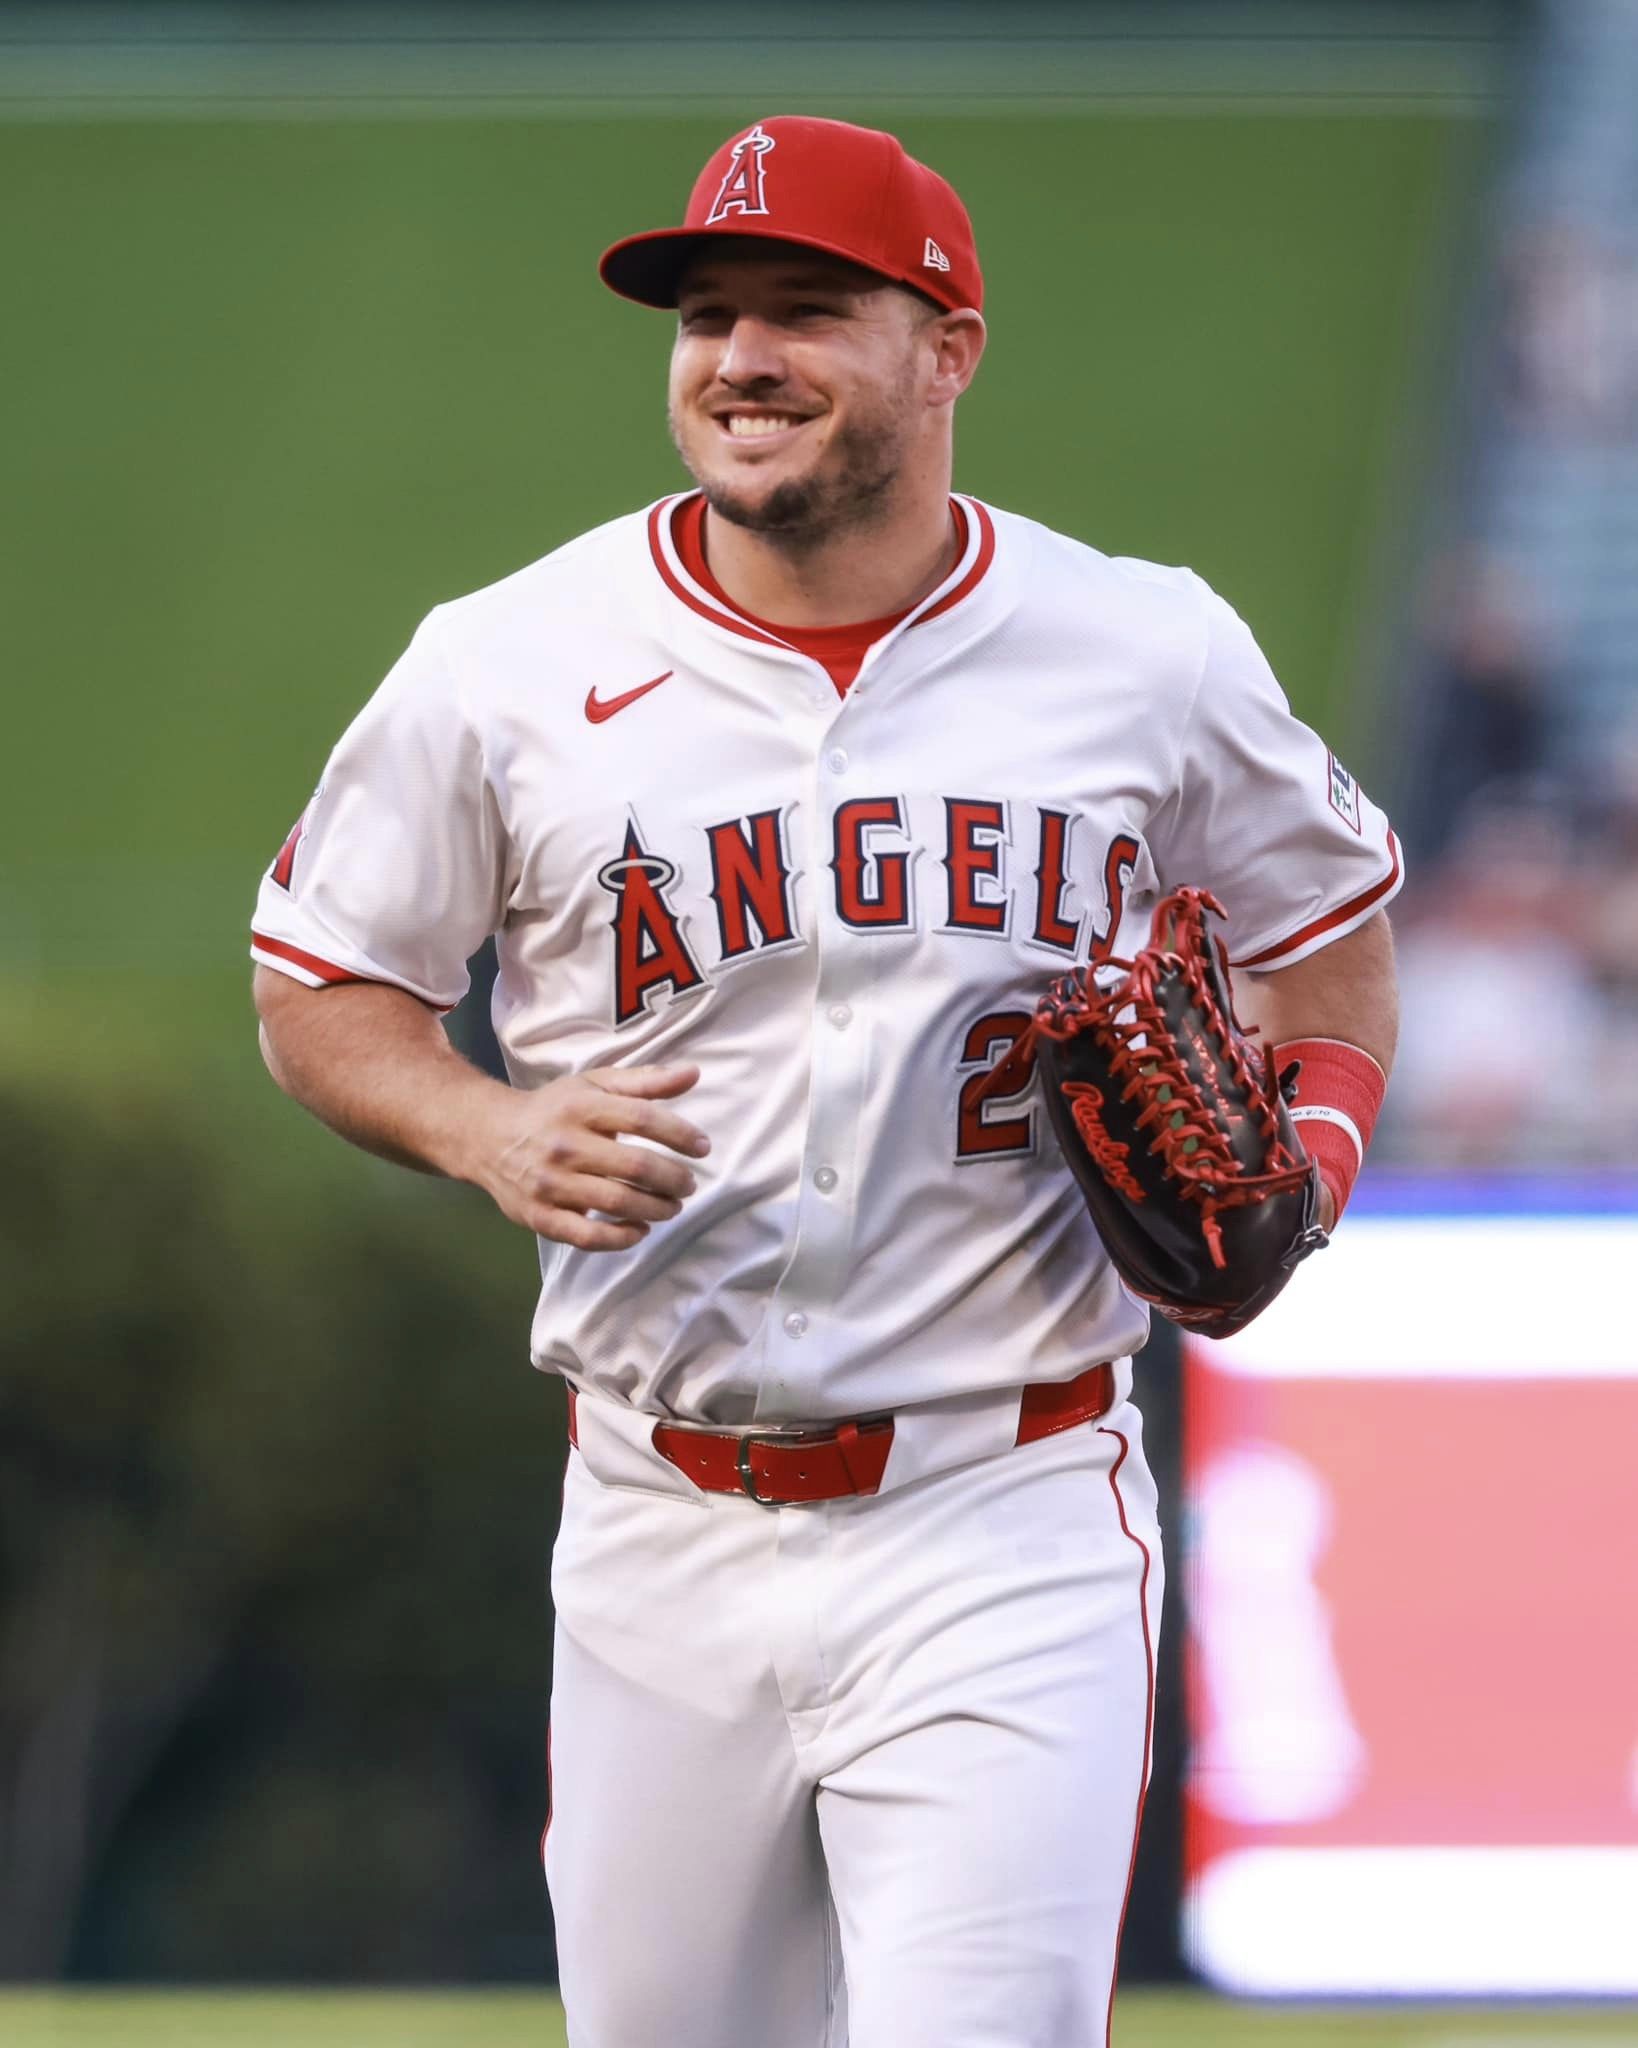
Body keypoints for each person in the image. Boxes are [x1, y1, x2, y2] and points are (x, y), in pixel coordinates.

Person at [251, 117, 1401, 2048]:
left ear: (945, 350)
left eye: (805, 310)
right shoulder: (504, 663)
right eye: (708, 316)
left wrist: (1315, 1154)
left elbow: (1334, 933)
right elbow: (321, 982)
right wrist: (481, 1120)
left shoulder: (1144, 649)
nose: (738, 359)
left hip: (1003, 1508)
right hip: (650, 1520)